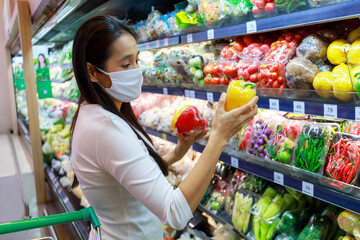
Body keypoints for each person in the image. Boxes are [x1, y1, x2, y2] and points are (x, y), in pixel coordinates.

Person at [71, 15, 258, 240]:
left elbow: (129, 178)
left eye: (137, 61)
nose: (136, 70)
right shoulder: (105, 129)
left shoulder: (94, 112)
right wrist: (219, 137)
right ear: (92, 72)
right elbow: (175, 213)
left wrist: (177, 153)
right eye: (126, 64)